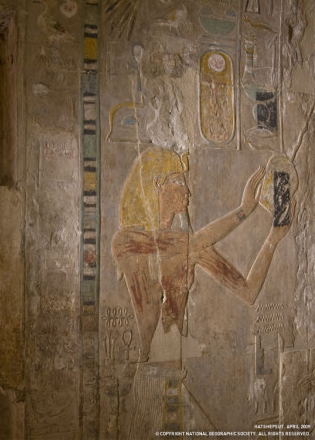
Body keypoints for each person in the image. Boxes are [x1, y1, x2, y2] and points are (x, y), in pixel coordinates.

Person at [111, 147, 294, 362]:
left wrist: (273, 239)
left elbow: (248, 292)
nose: (187, 192)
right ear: (159, 183)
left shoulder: (192, 247)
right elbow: (194, 242)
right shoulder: (126, 241)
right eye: (179, 182)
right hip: (150, 365)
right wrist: (243, 211)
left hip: (176, 364)